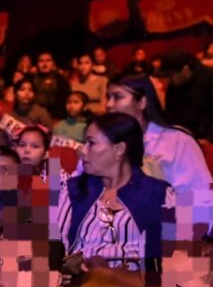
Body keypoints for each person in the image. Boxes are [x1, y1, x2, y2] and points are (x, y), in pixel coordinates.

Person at [56, 113, 174, 274]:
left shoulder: (159, 195)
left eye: (91, 143)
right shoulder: (73, 190)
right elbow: (54, 248)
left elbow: (174, 260)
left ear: (119, 149)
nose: (82, 151)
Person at [105, 74, 213, 196]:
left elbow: (196, 193)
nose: (109, 104)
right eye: (108, 97)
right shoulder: (101, 141)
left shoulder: (178, 140)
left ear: (142, 102)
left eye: (117, 97)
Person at [159, 49, 213, 144]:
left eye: (171, 75)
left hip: (211, 140)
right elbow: (171, 116)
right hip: (187, 141)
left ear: (185, 69)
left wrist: (211, 139)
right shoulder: (174, 86)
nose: (168, 80)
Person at [33, 52, 71, 118]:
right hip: (34, 114)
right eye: (41, 61)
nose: (45, 64)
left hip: (54, 116)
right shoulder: (31, 79)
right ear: (37, 64)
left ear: (53, 63)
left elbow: (63, 102)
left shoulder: (61, 80)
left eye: (48, 61)